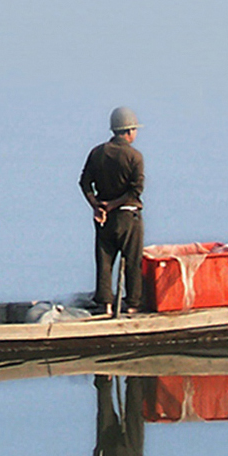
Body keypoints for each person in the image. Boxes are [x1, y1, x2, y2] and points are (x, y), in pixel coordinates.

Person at [79, 108, 145, 316]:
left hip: (104, 219)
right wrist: (113, 205)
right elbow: (136, 189)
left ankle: (105, 304)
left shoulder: (97, 152)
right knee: (133, 260)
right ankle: (133, 303)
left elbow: (84, 183)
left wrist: (97, 205)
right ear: (129, 131)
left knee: (104, 260)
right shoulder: (134, 156)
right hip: (128, 215)